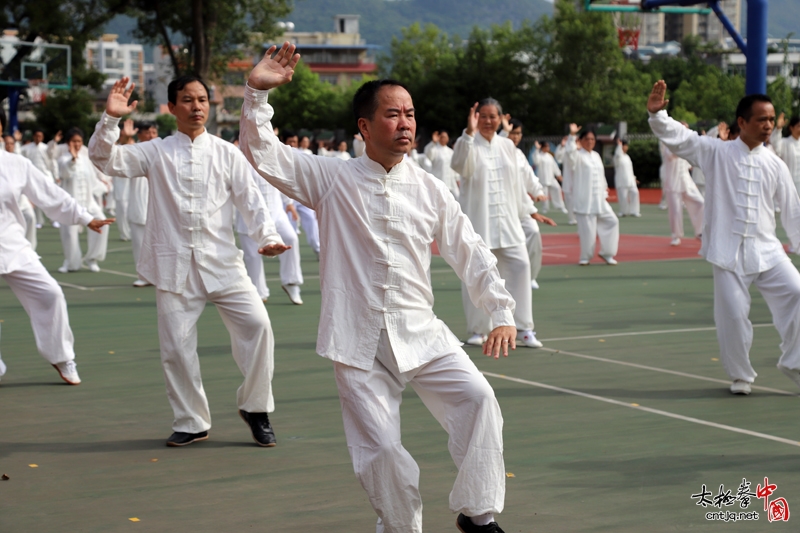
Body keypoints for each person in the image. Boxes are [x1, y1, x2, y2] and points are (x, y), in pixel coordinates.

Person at [241, 42, 516, 533]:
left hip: (421, 331)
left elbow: (469, 249)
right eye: (393, 114)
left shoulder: (431, 188)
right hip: (356, 339)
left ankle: (478, 514)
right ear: (365, 127)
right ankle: (400, 526)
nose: (406, 123)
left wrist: (499, 310)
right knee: (382, 450)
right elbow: (263, 153)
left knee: (479, 401)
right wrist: (257, 94)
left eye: (410, 113)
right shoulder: (330, 178)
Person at [89, 75, 290, 447]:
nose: (196, 106)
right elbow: (105, 160)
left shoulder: (227, 153)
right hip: (173, 265)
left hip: (224, 264)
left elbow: (252, 201)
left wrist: (269, 237)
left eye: (202, 99)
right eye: (187, 99)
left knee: (259, 326)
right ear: (172, 108)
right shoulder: (155, 151)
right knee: (177, 348)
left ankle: (256, 407)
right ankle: (192, 420)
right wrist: (110, 120)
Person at [648, 80, 800, 395]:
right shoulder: (715, 151)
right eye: (762, 119)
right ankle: (741, 375)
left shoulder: (776, 164)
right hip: (727, 251)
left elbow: (792, 210)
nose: (768, 125)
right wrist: (658, 115)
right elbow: (682, 138)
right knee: (732, 314)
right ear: (742, 122)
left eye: (771, 120)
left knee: (797, 293)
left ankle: (795, 362)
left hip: (768, 250)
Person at [0, 109, 114, 385]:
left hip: (11, 243)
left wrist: (85, 217)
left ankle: (61, 357)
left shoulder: (15, 164)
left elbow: (50, 194)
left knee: (50, 293)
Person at [452, 100, 548, 348]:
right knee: (478, 276)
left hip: (508, 224)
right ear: (475, 118)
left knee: (520, 267)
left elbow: (517, 185)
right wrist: (469, 133)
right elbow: (460, 165)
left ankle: (524, 328)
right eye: (482, 116)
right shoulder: (468, 144)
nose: (487, 121)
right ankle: (478, 329)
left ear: (500, 119)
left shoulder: (508, 146)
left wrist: (529, 210)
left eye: (492, 116)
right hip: (480, 225)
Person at [507, 121, 556, 290]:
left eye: (518, 133)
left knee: (533, 232)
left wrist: (538, 191)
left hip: (521, 207)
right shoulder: (495, 152)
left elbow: (530, 176)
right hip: (501, 209)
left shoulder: (519, 154)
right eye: (512, 132)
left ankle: (530, 276)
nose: (515, 137)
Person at [56, 127, 111, 273]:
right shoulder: (63, 159)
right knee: (70, 234)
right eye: (74, 141)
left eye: (79, 141)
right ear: (68, 142)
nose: (77, 144)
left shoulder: (86, 160)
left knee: (103, 223)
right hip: (71, 205)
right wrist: (72, 160)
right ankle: (71, 262)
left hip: (89, 202)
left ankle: (92, 258)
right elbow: (64, 174)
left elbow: (93, 180)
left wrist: (103, 185)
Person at [563, 124, 619, 265]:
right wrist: (571, 136)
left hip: (599, 200)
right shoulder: (577, 156)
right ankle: (585, 257)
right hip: (585, 200)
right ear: (581, 140)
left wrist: (605, 190)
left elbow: (601, 176)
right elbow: (569, 154)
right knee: (588, 232)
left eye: (592, 139)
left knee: (612, 221)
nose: (590, 141)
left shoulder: (596, 156)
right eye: (587, 139)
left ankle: (607, 253)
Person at [119, 119, 158, 287]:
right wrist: (125, 139)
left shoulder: (163, 150)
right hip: (139, 203)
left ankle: (163, 276)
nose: (151, 136)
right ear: (139, 134)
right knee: (140, 244)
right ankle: (144, 276)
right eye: (147, 133)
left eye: (154, 132)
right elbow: (121, 157)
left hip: (160, 205)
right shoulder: (135, 150)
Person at [660, 126, 704, 246]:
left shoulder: (687, 144)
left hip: (686, 181)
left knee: (700, 202)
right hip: (673, 182)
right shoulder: (668, 142)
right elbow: (671, 155)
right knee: (675, 211)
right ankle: (676, 236)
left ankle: (700, 231)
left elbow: (690, 161)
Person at [532, 141, 566, 214]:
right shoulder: (539, 155)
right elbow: (536, 161)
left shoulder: (549, 156)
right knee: (544, 193)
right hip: (543, 178)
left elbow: (554, 166)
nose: (548, 148)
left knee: (557, 189)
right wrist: (537, 149)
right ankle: (545, 208)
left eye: (548, 146)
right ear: (543, 147)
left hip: (551, 178)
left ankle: (560, 206)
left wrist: (558, 174)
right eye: (546, 146)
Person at [424, 130, 460, 199]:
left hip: (451, 182)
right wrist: (433, 142)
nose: (443, 138)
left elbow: (454, 167)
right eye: (442, 137)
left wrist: (457, 179)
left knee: (456, 199)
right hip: (439, 180)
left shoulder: (451, 152)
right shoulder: (435, 149)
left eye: (445, 137)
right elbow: (428, 155)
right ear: (439, 138)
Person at [771, 114, 800, 194]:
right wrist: (778, 128)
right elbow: (775, 144)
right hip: (788, 183)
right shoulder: (785, 143)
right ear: (791, 128)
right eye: (798, 126)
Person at [613, 139, 641, 217]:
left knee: (635, 193)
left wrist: (634, 178)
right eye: (625, 145)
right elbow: (618, 154)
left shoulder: (627, 157)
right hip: (622, 181)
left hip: (630, 181)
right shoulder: (617, 156)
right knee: (623, 197)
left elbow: (630, 170)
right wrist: (619, 145)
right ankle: (623, 211)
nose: (626, 147)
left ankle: (634, 211)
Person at [554, 136, 578, 225]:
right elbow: (558, 157)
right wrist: (561, 146)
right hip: (569, 179)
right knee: (569, 199)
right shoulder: (565, 151)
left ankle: (579, 217)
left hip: (579, 180)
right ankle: (572, 218)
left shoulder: (581, 151)